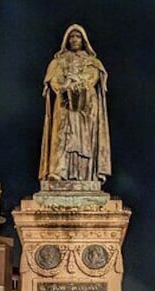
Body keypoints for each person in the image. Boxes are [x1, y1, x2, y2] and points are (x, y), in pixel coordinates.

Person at [39, 24, 111, 183]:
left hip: (85, 105)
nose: (74, 40)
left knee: (83, 139)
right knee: (61, 137)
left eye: (78, 36)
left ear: (83, 40)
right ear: (66, 40)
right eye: (71, 37)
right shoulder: (59, 61)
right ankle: (59, 172)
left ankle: (84, 175)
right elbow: (54, 79)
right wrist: (63, 87)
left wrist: (78, 83)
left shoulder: (92, 61)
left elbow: (92, 78)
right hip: (64, 103)